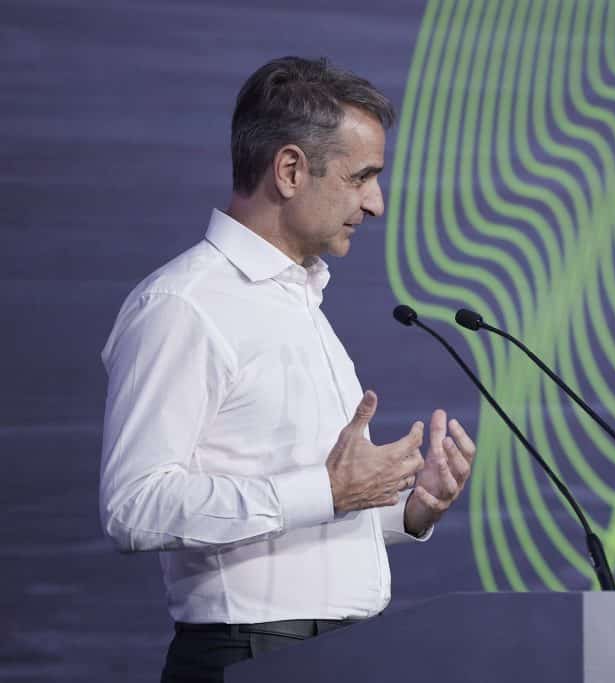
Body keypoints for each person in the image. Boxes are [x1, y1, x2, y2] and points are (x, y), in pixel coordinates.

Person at [98, 56, 476, 682]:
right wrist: (326, 490)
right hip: (250, 657)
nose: (376, 203)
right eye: (362, 178)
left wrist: (409, 510)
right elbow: (134, 507)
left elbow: (306, 523)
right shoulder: (184, 304)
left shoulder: (300, 303)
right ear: (291, 170)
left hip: (343, 654)